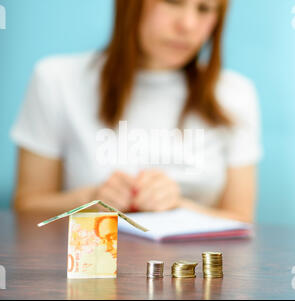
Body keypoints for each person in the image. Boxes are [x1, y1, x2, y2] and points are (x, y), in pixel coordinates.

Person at [11, 0, 262, 223]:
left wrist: (179, 207)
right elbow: (26, 207)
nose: (187, 24)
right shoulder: (56, 80)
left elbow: (241, 219)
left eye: (205, 8)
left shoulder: (235, 93)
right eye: (172, 2)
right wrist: (90, 199)